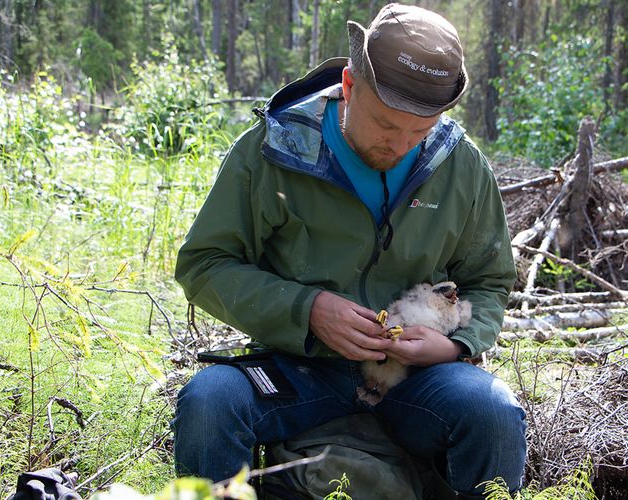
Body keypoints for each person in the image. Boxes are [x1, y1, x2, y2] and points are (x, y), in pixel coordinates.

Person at [173, 3, 527, 497]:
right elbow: (205, 264)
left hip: (414, 380)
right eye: (386, 124)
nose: (401, 144)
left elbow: (488, 281)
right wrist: (309, 310)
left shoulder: (462, 167)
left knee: (493, 411)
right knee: (210, 400)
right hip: (299, 367)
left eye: (419, 131)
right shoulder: (275, 152)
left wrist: (453, 346)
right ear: (349, 85)